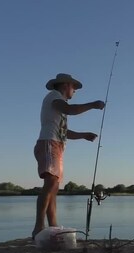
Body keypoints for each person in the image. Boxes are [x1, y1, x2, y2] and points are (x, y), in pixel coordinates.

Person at [32, 73, 105, 239]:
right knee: (50, 183)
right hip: (48, 144)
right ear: (66, 85)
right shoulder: (54, 97)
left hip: (56, 146)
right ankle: (38, 227)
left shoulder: (59, 105)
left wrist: (83, 135)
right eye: (74, 87)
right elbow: (70, 110)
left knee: (54, 187)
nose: (75, 91)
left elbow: (64, 132)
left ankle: (53, 227)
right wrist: (93, 104)